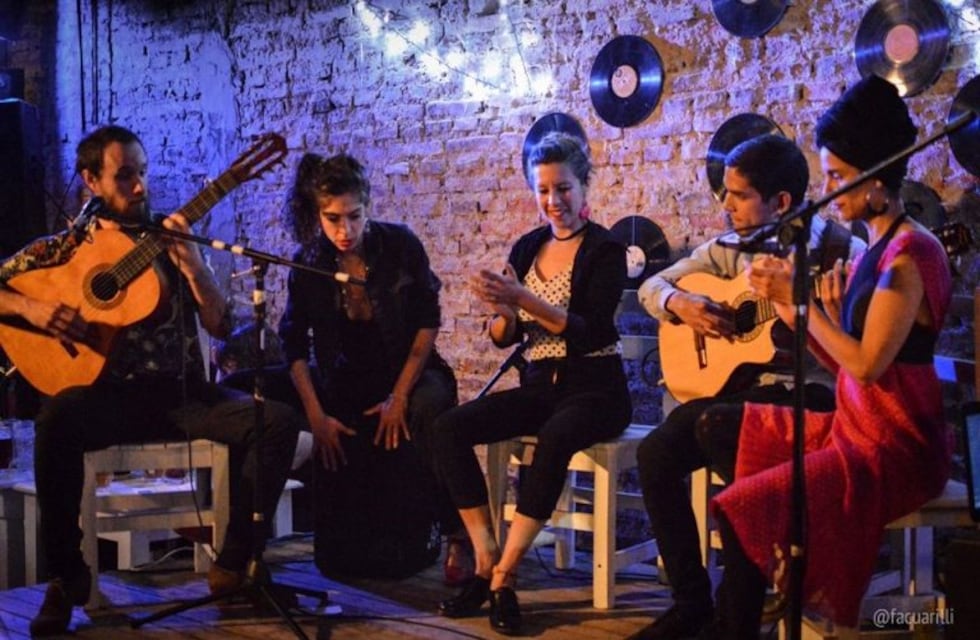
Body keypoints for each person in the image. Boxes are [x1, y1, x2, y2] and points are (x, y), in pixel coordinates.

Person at [0, 125, 303, 636]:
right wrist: (34, 306)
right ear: (90, 181)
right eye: (124, 176)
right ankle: (66, 577)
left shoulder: (173, 236)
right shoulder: (67, 246)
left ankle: (233, 562)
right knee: (55, 419)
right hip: (107, 398)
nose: (140, 187)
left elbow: (221, 326)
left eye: (142, 172)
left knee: (276, 419)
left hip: (180, 394)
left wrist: (193, 268)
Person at [701, 75, 953, 636]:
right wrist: (801, 312)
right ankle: (765, 586)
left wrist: (799, 303)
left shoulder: (911, 255)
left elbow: (867, 367)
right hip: (856, 425)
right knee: (721, 428)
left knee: (746, 505)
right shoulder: (879, 247)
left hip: (895, 447)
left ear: (877, 178)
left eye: (839, 177)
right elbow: (850, 368)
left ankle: (738, 622)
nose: (830, 191)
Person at [628, 134, 865, 640]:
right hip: (740, 395)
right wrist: (679, 303)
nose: (725, 205)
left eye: (737, 195)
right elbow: (651, 285)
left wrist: (810, 305)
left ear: (780, 202)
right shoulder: (728, 250)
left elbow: (862, 351)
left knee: (722, 435)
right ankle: (693, 601)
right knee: (655, 454)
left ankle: (737, 617)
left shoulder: (848, 254)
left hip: (813, 397)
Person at [431, 131, 632, 635]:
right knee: (447, 428)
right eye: (543, 190)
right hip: (542, 384)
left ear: (584, 186)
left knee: (557, 439)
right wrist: (500, 310)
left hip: (596, 388)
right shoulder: (527, 245)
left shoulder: (606, 249)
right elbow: (504, 337)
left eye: (563, 188)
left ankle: (505, 576)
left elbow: (591, 331)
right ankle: (484, 556)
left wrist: (523, 299)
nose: (553, 201)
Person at [278, 153, 460, 580]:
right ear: (318, 213)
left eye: (354, 217)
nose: (345, 231)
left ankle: (455, 534)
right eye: (333, 219)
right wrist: (316, 416)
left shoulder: (400, 245)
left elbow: (427, 322)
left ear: (370, 206)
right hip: (346, 375)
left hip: (410, 370)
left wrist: (398, 396)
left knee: (429, 410)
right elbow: (293, 345)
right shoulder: (308, 264)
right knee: (339, 560)